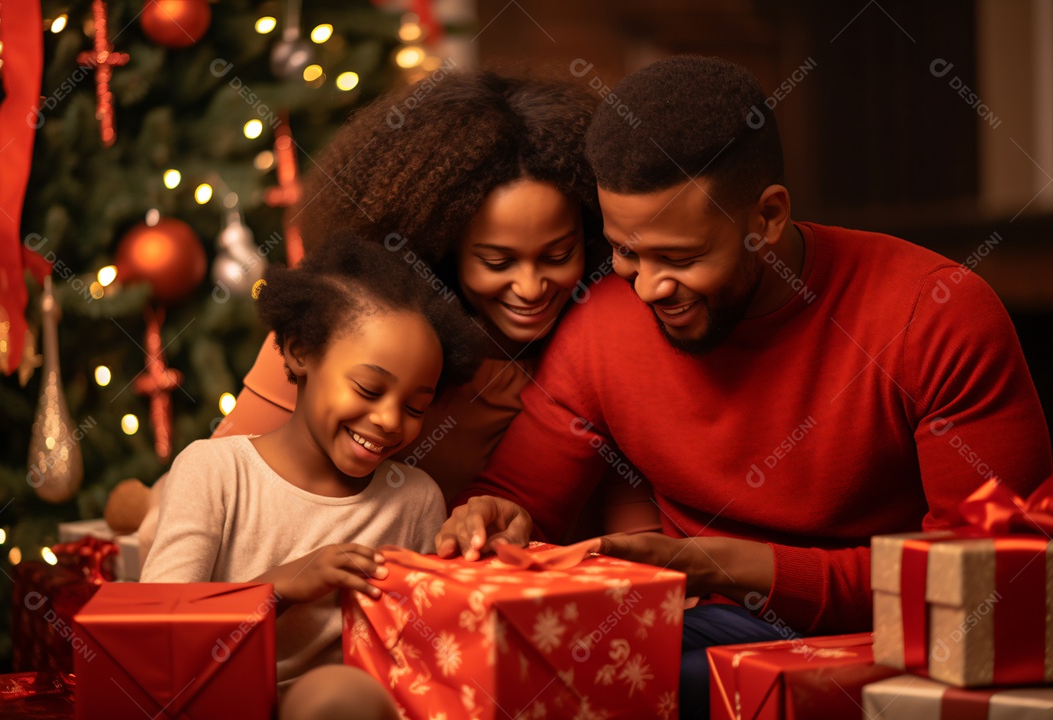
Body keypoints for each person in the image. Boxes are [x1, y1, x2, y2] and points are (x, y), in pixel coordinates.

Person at [434, 55, 1053, 718]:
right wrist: (492, 517)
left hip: (904, 647)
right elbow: (520, 498)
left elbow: (993, 583)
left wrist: (735, 567)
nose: (647, 287)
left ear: (767, 217)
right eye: (626, 252)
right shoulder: (602, 328)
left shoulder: (935, 313)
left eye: (680, 257)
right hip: (709, 634)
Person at [135, 71, 659, 563]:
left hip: (482, 590)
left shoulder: (596, 337)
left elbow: (628, 494)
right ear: (443, 247)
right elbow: (228, 484)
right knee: (156, 515)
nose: (530, 288)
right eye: (497, 261)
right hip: (323, 583)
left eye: (557, 255)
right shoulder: (352, 332)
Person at [141, 236, 482, 720]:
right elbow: (158, 634)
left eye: (414, 407)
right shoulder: (215, 471)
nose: (389, 420)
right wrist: (275, 589)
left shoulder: (416, 501)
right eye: (368, 388)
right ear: (301, 352)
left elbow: (428, 640)